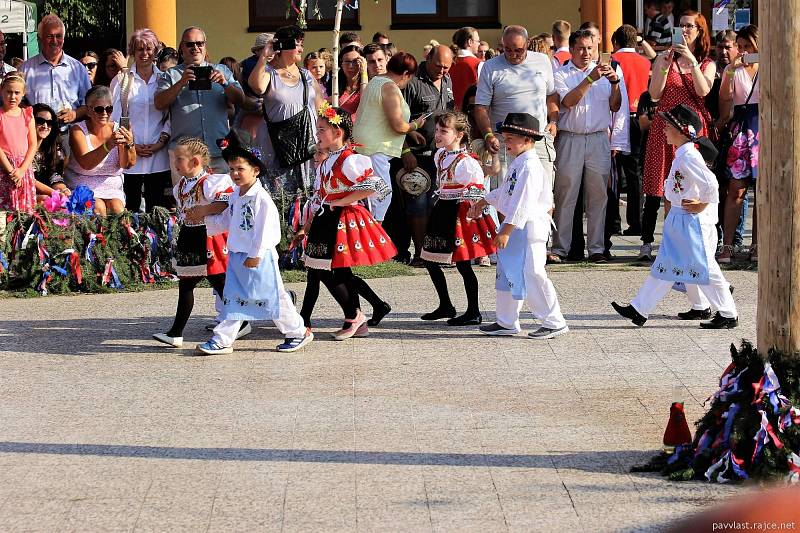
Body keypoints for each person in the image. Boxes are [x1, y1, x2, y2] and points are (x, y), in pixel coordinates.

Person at [612, 104, 738, 329]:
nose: (664, 130)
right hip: (681, 219)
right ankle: (640, 309)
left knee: (705, 267)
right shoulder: (683, 154)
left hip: (691, 222)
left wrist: (703, 204)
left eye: (668, 126)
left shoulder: (689, 156)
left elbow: (711, 183)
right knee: (666, 265)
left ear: (681, 131)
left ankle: (728, 312)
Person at [195, 131, 312, 355]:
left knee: (272, 298)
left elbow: (264, 229)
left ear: (255, 170)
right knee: (235, 299)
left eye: (240, 169)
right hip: (238, 255)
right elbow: (229, 219)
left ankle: (298, 331)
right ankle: (223, 339)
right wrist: (206, 223)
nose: (235, 173)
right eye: (231, 169)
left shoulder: (261, 199)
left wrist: (255, 254)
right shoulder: (236, 196)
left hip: (258, 257)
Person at [300, 105, 397, 339]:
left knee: (332, 270)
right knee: (324, 269)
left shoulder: (350, 159)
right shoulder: (328, 160)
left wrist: (343, 201)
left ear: (338, 132)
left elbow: (378, 187)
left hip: (341, 219)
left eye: (322, 129)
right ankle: (355, 319)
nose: (317, 134)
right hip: (326, 217)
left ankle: (354, 316)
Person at [471, 113, 568, 339]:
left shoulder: (531, 166)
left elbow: (523, 201)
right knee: (506, 272)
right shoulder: (519, 163)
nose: (506, 143)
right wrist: (486, 199)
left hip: (528, 227)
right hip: (515, 226)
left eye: (511, 139)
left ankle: (554, 321)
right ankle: (506, 321)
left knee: (532, 273)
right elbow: (508, 192)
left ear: (527, 139)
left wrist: (506, 229)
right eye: (505, 138)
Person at [640, 11, 715, 262]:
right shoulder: (665, 59)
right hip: (666, 129)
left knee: (691, 187)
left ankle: (689, 244)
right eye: (680, 26)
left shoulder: (706, 62)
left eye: (689, 26)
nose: (684, 30)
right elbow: (654, 94)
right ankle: (669, 245)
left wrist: (691, 60)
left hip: (691, 131)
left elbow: (703, 91)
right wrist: (661, 66)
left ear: (699, 31)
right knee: (666, 187)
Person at [152, 138, 234, 348]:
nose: (176, 163)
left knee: (220, 283)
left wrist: (204, 210)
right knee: (188, 283)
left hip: (208, 236)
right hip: (189, 236)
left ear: (195, 161)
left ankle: (236, 321)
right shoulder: (181, 185)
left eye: (179, 159)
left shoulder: (211, 182)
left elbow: (225, 202)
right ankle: (176, 332)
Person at [549, 30, 622, 264]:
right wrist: (590, 78)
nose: (586, 53)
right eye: (581, 48)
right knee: (565, 194)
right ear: (571, 49)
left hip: (599, 137)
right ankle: (561, 248)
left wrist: (614, 84)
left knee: (598, 195)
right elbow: (568, 103)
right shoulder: (561, 74)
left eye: (590, 48)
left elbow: (616, 106)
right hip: (571, 137)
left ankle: (597, 248)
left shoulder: (608, 72)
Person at [420, 112, 496, 325]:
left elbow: (477, 189)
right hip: (442, 208)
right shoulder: (440, 155)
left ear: (459, 135)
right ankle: (446, 304)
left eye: (444, 131)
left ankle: (474, 311)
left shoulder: (467, 163)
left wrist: (474, 209)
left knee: (463, 263)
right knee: (429, 258)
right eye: (437, 130)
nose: (438, 135)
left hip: (460, 213)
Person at [474, 25, 559, 201]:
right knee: (506, 198)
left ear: (527, 44)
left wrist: (554, 120)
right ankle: (507, 230)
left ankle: (540, 230)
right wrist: (488, 134)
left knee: (543, 197)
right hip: (506, 143)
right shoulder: (490, 67)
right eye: (507, 50)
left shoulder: (543, 61)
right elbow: (481, 107)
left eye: (518, 50)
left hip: (538, 140)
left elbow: (551, 94)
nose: (513, 54)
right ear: (502, 45)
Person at [247, 25, 323, 221]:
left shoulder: (306, 75)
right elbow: (256, 86)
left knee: (308, 204)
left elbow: (322, 108)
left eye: (302, 44)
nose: (301, 49)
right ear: (280, 47)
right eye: (296, 45)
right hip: (279, 150)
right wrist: (264, 56)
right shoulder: (270, 74)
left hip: (308, 148)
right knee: (280, 204)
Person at [388, 44, 454, 266]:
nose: (442, 70)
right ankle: (420, 254)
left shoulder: (447, 80)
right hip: (414, 154)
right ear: (428, 58)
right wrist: (405, 150)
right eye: (438, 65)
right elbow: (397, 120)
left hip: (439, 154)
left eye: (447, 67)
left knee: (434, 204)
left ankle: (433, 252)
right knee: (417, 203)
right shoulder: (412, 81)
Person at [156, 26, 248, 179]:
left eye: (199, 43)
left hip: (218, 152)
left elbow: (241, 100)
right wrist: (181, 83)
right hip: (185, 156)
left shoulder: (222, 70)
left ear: (205, 46)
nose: (195, 48)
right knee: (187, 202)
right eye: (190, 44)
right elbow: (159, 103)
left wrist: (225, 84)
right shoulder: (171, 75)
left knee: (222, 201)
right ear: (182, 48)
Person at [352, 52, 426, 223]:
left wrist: (410, 131)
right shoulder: (389, 87)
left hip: (366, 147)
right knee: (381, 196)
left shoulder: (376, 81)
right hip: (375, 150)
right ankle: (372, 237)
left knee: (372, 194)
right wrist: (415, 125)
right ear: (406, 74)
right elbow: (398, 125)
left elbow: (381, 117)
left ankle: (371, 235)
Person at [111, 28, 172, 213]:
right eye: (140, 49)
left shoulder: (164, 79)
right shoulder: (122, 80)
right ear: (133, 51)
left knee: (157, 208)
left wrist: (161, 142)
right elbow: (114, 116)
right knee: (131, 208)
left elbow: (171, 115)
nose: (145, 54)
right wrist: (130, 144)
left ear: (155, 51)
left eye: (149, 49)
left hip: (158, 154)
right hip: (130, 155)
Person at [717, 25, 759, 265]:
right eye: (740, 47)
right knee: (736, 189)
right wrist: (732, 70)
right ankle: (728, 244)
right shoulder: (733, 69)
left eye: (748, 47)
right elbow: (725, 96)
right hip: (742, 126)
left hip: (763, 125)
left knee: (762, 193)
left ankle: (757, 244)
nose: (743, 52)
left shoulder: (769, 66)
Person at [66, 85, 136, 215]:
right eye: (99, 109)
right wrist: (108, 145)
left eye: (108, 109)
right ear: (88, 111)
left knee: (117, 210)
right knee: (97, 207)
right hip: (82, 185)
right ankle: (95, 236)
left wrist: (129, 144)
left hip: (112, 187)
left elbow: (126, 165)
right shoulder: (78, 130)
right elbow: (86, 164)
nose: (104, 114)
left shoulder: (117, 129)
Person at [612, 24, 653, 236]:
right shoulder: (645, 61)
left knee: (614, 172)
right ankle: (636, 222)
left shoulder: (613, 60)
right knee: (635, 171)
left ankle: (614, 223)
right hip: (640, 117)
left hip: (618, 116)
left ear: (616, 41)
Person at [21, 14, 92, 129]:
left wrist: (74, 114)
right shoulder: (26, 69)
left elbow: (89, 103)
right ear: (40, 38)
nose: (54, 41)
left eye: (58, 36)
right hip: (38, 134)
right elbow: (18, 102)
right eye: (49, 36)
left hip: (70, 134)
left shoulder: (78, 68)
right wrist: (33, 114)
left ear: (63, 39)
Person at [0, 74, 37, 213]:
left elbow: (33, 144)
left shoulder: (27, 114)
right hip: (4, 169)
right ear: (1, 91)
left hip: (23, 169)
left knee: (24, 211)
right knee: (5, 211)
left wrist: (21, 170)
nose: (12, 96)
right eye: (9, 92)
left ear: (23, 93)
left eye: (17, 93)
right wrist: (11, 171)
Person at [31, 103, 69, 201]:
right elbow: (28, 179)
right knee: (46, 200)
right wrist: (54, 193)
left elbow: (55, 176)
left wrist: (62, 190)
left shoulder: (53, 148)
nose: (45, 126)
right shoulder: (20, 148)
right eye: (40, 121)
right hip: (24, 193)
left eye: (49, 122)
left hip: (47, 194)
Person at [450, 27, 483, 111]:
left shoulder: (448, 62)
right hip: (471, 112)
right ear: (470, 42)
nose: (479, 44)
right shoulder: (479, 64)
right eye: (478, 41)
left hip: (451, 112)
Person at [337, 44, 368, 120]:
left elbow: (365, 101)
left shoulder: (368, 83)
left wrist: (364, 72)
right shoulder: (334, 83)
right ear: (341, 63)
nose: (351, 66)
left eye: (355, 61)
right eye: (347, 61)